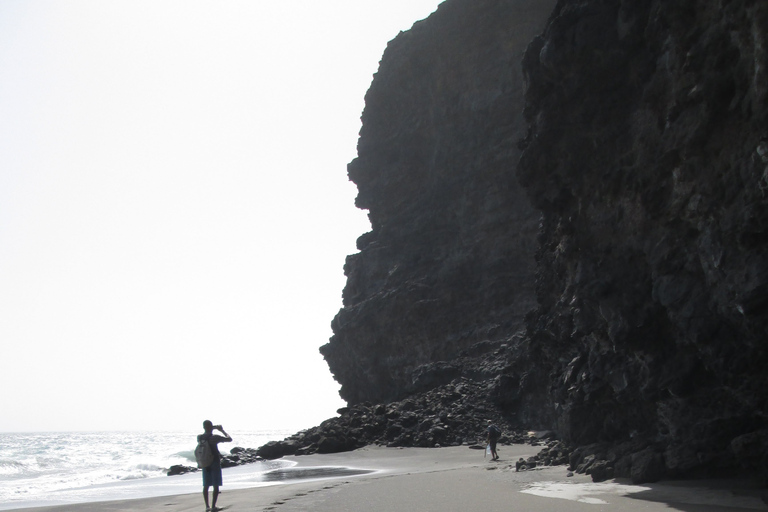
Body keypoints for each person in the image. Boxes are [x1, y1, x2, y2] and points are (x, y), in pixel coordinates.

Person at [198, 420, 232, 512]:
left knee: (206, 485)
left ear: (203, 427)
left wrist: (211, 428)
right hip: (214, 462)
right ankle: (213, 506)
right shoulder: (214, 437)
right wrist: (221, 430)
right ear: (211, 426)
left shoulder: (200, 437)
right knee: (215, 485)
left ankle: (207, 506)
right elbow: (229, 439)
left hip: (205, 462)